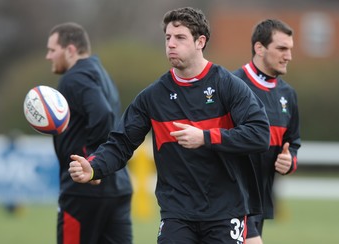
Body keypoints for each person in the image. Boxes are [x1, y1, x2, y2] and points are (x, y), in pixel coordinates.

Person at [68, 7, 270, 244]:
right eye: (168, 38)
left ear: (200, 41)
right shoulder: (153, 97)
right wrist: (93, 167)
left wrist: (206, 137)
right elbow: (120, 143)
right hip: (177, 214)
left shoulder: (228, 86)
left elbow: (259, 134)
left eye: (180, 38)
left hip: (225, 212)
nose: (171, 44)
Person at [45, 22, 133, 244]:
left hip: (83, 190)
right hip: (118, 187)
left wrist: (93, 163)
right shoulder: (102, 74)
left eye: (52, 50)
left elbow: (102, 114)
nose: (48, 56)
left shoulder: (73, 77)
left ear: (70, 50)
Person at [233, 19, 301, 244]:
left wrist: (289, 160)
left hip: (260, 200)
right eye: (282, 48)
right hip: (230, 197)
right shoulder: (232, 86)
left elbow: (293, 142)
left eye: (290, 49)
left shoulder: (287, 95)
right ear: (259, 48)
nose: (289, 56)